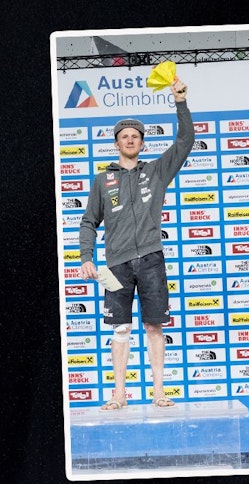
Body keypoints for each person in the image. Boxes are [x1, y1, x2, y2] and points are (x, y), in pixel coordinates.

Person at [80, 79, 192, 410]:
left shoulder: (157, 171)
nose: (130, 140)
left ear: (142, 144)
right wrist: (86, 256)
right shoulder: (102, 180)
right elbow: (88, 221)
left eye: (136, 137)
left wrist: (180, 103)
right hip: (114, 265)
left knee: (154, 325)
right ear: (116, 144)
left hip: (152, 260)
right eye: (124, 137)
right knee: (120, 329)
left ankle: (159, 390)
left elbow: (185, 141)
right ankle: (119, 393)